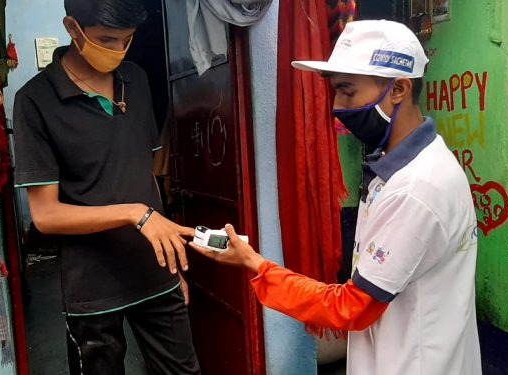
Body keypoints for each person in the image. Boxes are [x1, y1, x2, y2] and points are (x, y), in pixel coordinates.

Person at [190, 20, 482, 375]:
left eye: (347, 91)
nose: (336, 106)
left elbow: (349, 307)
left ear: (399, 89)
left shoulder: (417, 189)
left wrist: (255, 265)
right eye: (336, 93)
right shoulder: (408, 165)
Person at [12, 0, 200, 373]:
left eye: (127, 40)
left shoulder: (138, 80)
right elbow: (46, 215)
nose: (116, 51)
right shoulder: (35, 100)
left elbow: (144, 176)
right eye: (106, 39)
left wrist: (172, 267)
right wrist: (135, 214)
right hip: (92, 288)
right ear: (72, 27)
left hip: (154, 271)